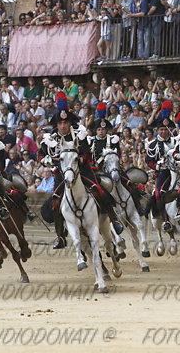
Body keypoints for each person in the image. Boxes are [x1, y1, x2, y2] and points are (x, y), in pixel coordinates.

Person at [38, 92, 124, 249]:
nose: (63, 125)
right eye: (60, 123)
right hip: (61, 174)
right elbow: (41, 154)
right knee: (56, 200)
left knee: (98, 189)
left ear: (70, 123)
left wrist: (80, 159)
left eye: (66, 123)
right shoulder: (50, 139)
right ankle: (60, 236)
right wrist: (45, 160)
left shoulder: (80, 134)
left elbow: (86, 152)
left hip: (82, 170)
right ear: (57, 124)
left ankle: (114, 219)